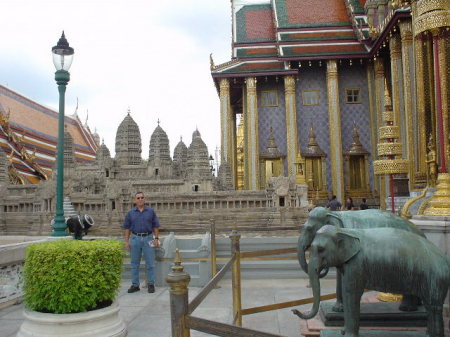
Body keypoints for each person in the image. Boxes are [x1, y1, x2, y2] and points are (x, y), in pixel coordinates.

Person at [123, 192, 160, 293]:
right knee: (134, 263)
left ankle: (151, 284)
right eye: (138, 198)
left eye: (142, 197)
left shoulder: (150, 211)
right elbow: (127, 228)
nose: (140, 199)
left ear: (145, 199)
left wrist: (156, 238)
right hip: (135, 238)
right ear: (135, 200)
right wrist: (126, 241)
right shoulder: (130, 213)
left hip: (148, 237)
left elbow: (155, 226)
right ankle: (135, 285)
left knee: (150, 263)